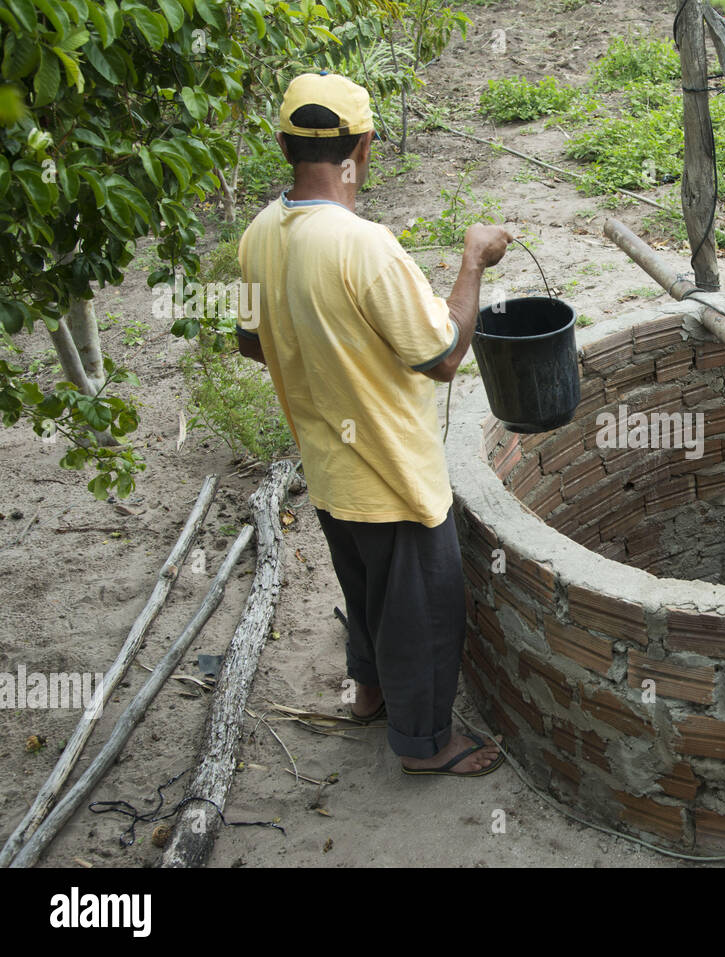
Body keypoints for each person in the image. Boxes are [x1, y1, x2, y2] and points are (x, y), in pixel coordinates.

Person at [235, 71, 509, 777]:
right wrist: (473, 258)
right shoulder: (364, 245)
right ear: (364, 144)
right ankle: (426, 745)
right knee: (422, 611)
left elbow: (248, 339)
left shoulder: (258, 235)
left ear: (282, 144)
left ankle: (368, 698)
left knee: (364, 592)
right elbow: (444, 355)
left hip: (327, 469)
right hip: (392, 474)